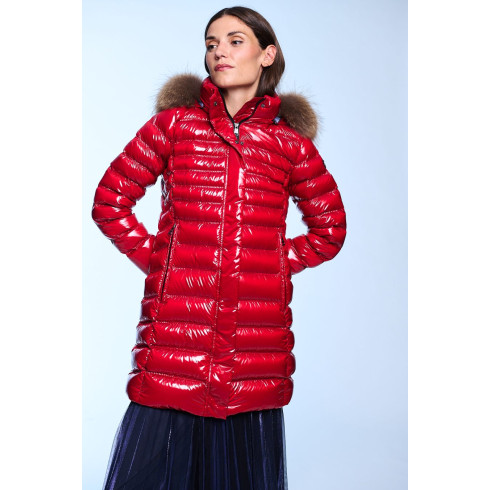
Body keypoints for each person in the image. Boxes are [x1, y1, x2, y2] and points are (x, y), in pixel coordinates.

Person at [92, 6, 347, 489]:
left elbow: (329, 230)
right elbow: (110, 202)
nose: (219, 53)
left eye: (234, 41)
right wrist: (163, 262)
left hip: (252, 350)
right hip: (175, 341)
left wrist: (273, 264)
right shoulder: (174, 126)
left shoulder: (289, 145)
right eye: (211, 43)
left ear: (267, 54)